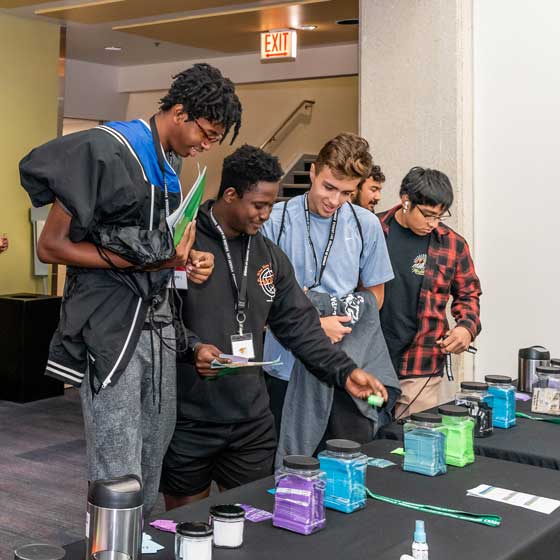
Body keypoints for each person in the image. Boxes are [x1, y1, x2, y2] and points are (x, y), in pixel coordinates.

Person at [19, 63, 242, 514]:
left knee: (151, 455)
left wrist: (186, 263)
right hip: (113, 329)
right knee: (117, 467)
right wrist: (124, 259)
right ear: (180, 112)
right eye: (208, 132)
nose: (207, 144)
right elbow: (51, 246)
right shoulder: (105, 149)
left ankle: (136, 544)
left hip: (158, 328)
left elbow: (158, 249)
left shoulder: (173, 166)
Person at [160, 145, 388, 508]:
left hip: (251, 420)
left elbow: (299, 324)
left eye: (271, 204)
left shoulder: (267, 254)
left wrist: (345, 372)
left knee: (256, 521)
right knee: (189, 525)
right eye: (258, 206)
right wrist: (193, 347)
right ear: (231, 195)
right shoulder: (185, 244)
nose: (266, 215)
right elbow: (159, 317)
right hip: (191, 418)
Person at [261, 133, 398, 448]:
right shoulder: (275, 221)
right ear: (313, 172)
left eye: (347, 193)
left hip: (344, 367)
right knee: (290, 468)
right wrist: (312, 324)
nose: (334, 201)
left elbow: (374, 299)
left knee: (344, 464)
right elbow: (259, 299)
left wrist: (341, 320)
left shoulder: (366, 225)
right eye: (328, 187)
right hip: (284, 367)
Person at [378, 167, 482, 418]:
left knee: (415, 441)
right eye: (426, 215)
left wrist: (465, 328)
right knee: (367, 442)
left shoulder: (452, 244)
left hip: (421, 363)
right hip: (372, 359)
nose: (433, 223)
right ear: (405, 200)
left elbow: (469, 294)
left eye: (439, 216)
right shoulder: (373, 229)